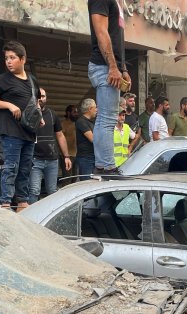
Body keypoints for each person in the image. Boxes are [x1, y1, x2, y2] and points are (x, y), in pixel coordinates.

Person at [0, 40, 39, 209]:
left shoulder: (32, 80)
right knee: (10, 168)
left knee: (25, 169)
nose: (8, 61)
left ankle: (22, 201)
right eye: (6, 58)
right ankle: (5, 203)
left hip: (28, 132)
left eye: (12, 57)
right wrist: (8, 105)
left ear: (23, 59)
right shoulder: (2, 79)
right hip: (10, 131)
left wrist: (39, 116)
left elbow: (35, 103)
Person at [88, 0, 130, 174]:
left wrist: (123, 68)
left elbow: (117, 38)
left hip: (110, 66)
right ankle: (107, 167)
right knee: (107, 119)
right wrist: (113, 67)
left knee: (105, 119)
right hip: (104, 66)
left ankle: (102, 165)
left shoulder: (118, 3)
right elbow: (101, 32)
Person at [29, 88, 71, 203]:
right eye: (39, 96)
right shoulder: (28, 114)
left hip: (52, 160)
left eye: (43, 96)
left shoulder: (52, 114)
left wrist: (66, 156)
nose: (41, 98)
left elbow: (60, 135)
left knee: (52, 191)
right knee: (34, 191)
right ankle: (32, 218)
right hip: (34, 159)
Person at [76, 98, 97, 179]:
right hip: (85, 159)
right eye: (95, 107)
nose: (96, 110)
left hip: (93, 157)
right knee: (86, 183)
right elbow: (92, 139)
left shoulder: (92, 121)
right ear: (90, 109)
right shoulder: (81, 121)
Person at [61, 104, 79, 180]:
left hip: (77, 155)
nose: (76, 114)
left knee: (75, 179)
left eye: (77, 112)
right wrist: (65, 155)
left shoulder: (77, 123)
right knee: (67, 179)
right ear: (68, 113)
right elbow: (60, 139)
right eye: (74, 112)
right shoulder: (63, 124)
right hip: (67, 156)